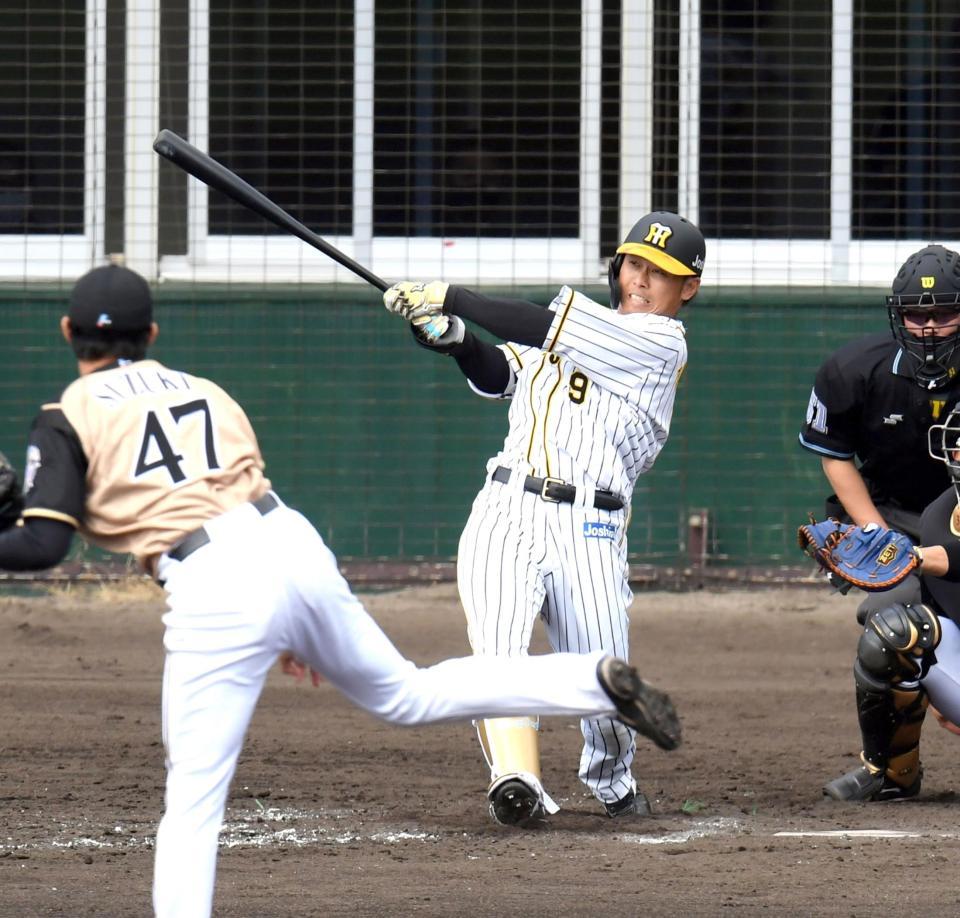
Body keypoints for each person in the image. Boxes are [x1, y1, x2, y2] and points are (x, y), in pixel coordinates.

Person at [0, 263, 682, 918]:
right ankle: (589, 681)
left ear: (66, 332)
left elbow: (42, 544)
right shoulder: (203, 391)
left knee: (195, 800)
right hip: (288, 546)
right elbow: (243, 488)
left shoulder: (67, 413)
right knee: (408, 694)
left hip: (214, 585)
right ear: (150, 337)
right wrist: (291, 617)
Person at [381, 211, 704, 826]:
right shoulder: (576, 336)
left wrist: (451, 296)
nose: (640, 279)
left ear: (686, 288)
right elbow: (503, 370)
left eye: (660, 272)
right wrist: (456, 339)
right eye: (634, 263)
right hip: (507, 507)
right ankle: (517, 779)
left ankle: (613, 783)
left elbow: (541, 324)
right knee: (498, 654)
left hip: (592, 527)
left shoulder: (661, 344)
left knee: (600, 679)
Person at [799, 244, 960, 618]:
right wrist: (877, 534)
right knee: (892, 623)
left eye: (944, 313)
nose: (930, 327)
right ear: (899, 316)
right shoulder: (853, 371)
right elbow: (835, 456)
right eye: (916, 316)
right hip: (892, 510)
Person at [823, 400, 960, 802]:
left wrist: (917, 557)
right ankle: (890, 774)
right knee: (894, 632)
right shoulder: (940, 513)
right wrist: (923, 688)